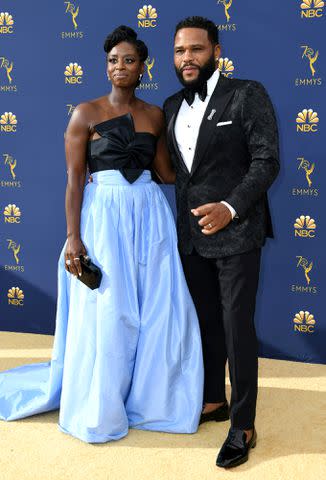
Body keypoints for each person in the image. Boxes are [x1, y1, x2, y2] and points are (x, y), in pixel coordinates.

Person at [0, 26, 204, 443]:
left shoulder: (155, 115)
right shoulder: (85, 113)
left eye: (129, 60)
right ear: (106, 66)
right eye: (113, 60)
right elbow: (75, 180)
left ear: (142, 67)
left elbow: (166, 173)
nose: (120, 67)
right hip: (103, 219)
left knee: (158, 310)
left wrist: (195, 141)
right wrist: (74, 238)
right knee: (110, 312)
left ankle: (153, 403)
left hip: (149, 216)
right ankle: (100, 405)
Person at [163, 16, 279, 468]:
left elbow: (266, 161)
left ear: (215, 50)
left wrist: (229, 207)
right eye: (179, 51)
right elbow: (178, 172)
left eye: (195, 49)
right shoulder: (173, 103)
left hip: (237, 234)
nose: (187, 58)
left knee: (236, 330)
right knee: (205, 323)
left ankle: (244, 425)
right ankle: (214, 399)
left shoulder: (247, 94)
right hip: (192, 240)